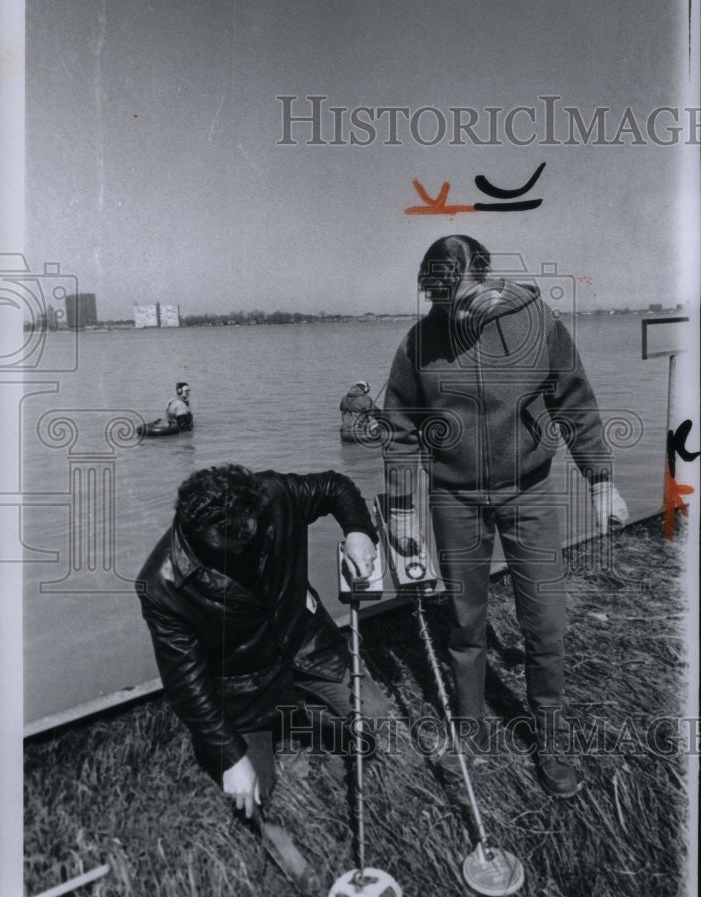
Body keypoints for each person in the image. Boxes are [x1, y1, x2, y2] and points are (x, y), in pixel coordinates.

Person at [382, 234, 629, 798]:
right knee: (466, 624)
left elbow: (575, 399)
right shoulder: (418, 343)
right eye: (441, 304)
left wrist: (601, 479)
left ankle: (550, 739)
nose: (454, 314)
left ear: (489, 282)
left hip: (530, 492)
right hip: (455, 498)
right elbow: (399, 434)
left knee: (546, 622)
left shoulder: (536, 322)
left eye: (463, 300)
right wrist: (400, 509)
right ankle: (468, 732)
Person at [137, 463, 386, 819]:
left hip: (305, 643)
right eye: (228, 543)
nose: (242, 549)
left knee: (373, 718)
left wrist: (359, 530)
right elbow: (186, 684)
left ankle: (304, 720)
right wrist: (231, 757)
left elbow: (335, 486)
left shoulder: (273, 493)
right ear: (197, 531)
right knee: (254, 793)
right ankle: (278, 726)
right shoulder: (161, 585)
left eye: (249, 535)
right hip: (244, 682)